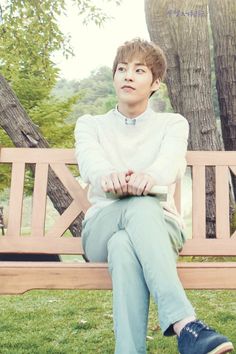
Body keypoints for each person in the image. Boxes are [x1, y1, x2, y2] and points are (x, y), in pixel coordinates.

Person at [74, 38, 234, 354]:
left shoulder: (172, 123)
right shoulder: (90, 124)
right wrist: (109, 177)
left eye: (139, 70)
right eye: (121, 69)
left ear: (156, 82)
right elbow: (92, 163)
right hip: (101, 231)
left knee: (125, 242)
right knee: (136, 209)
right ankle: (186, 324)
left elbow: (169, 165)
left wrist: (150, 178)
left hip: (160, 228)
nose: (128, 76)